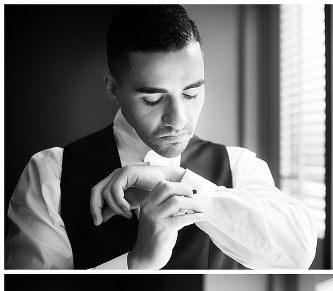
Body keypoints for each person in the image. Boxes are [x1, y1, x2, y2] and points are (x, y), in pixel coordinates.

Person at [5, 5, 316, 270]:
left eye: (192, 92)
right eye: (153, 100)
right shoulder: (50, 172)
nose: (178, 120)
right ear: (113, 88)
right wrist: (136, 263)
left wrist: (180, 181)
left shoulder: (239, 165)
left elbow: (299, 254)